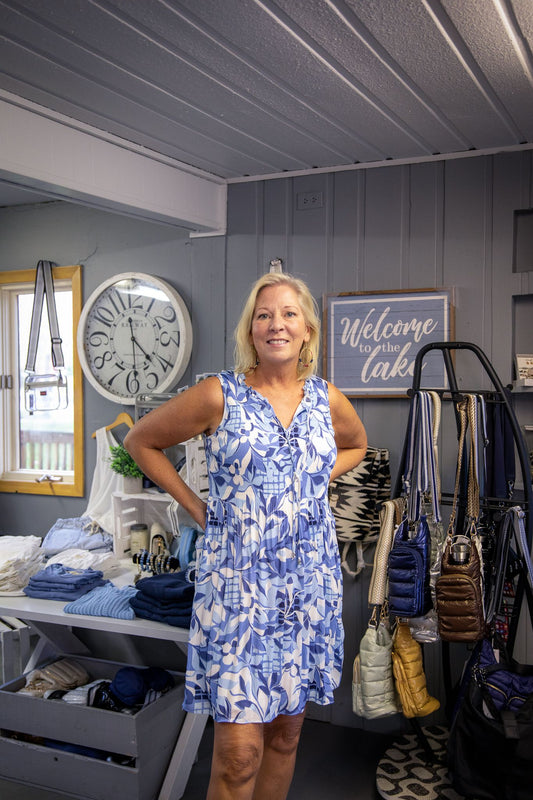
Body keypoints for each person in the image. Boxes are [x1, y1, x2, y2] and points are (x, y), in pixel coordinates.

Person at [124, 272, 367, 800]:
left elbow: (356, 446)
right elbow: (141, 441)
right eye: (264, 315)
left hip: (306, 588)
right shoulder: (219, 394)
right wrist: (195, 507)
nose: (276, 324)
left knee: (285, 736)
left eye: (288, 314)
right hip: (239, 592)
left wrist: (308, 476)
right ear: (250, 331)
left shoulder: (326, 399)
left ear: (307, 331)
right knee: (237, 756)